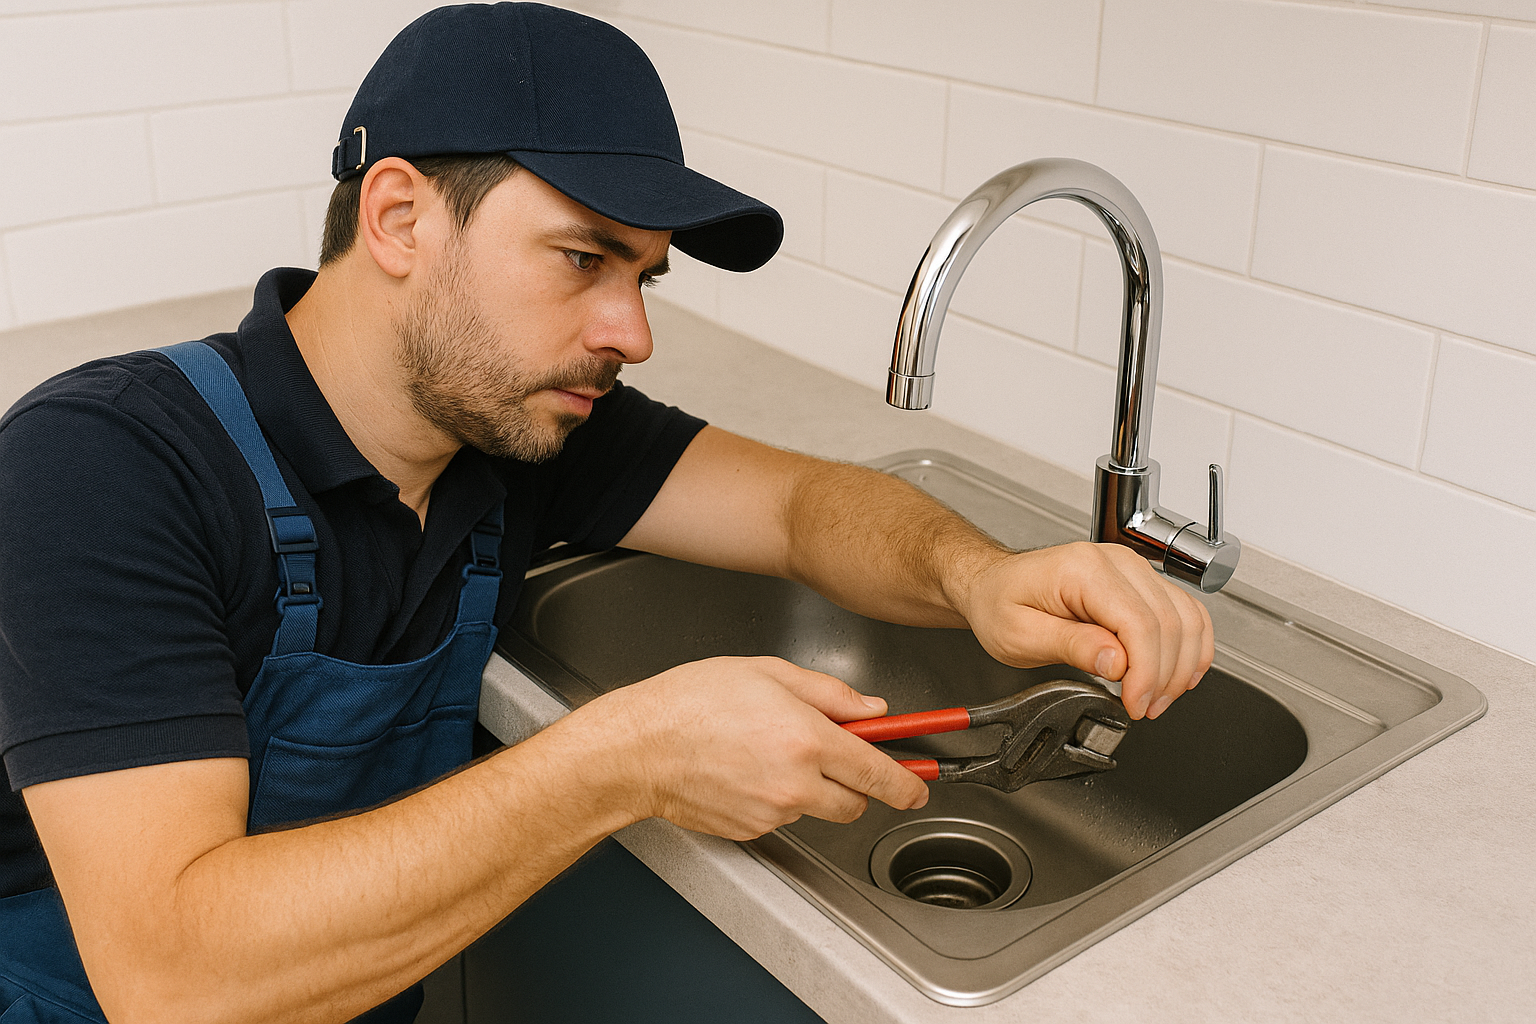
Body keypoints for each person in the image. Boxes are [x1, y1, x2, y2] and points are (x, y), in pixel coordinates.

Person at [0, 4, 1213, 1022]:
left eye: (642, 275)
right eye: (584, 259)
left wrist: (975, 575)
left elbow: (800, 507)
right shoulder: (104, 464)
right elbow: (171, 974)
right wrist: (628, 758)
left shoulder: (516, 422)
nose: (631, 331)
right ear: (401, 218)